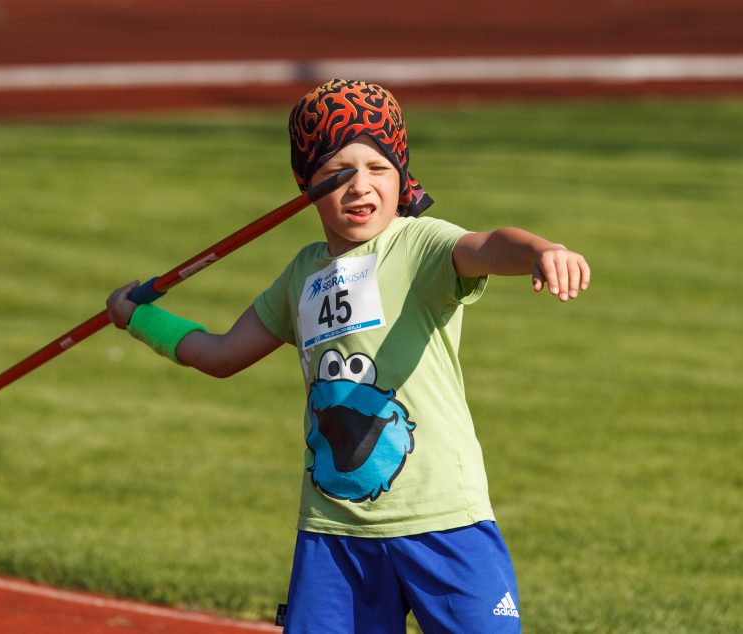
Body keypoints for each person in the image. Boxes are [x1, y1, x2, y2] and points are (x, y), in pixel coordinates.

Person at [106, 78, 590, 634]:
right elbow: (220, 354)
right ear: (305, 185)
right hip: (334, 531)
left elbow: (488, 244)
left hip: (442, 520)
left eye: (378, 168)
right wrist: (139, 318)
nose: (361, 187)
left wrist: (542, 251)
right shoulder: (301, 275)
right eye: (337, 173)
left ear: (402, 174)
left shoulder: (421, 246)